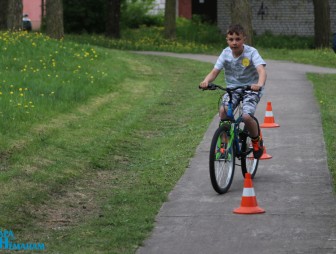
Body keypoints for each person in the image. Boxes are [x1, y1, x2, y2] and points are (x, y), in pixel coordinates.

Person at [199, 24, 267, 159]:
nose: (234, 42)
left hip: (250, 89)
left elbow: (261, 70)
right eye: (231, 39)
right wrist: (206, 81)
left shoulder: (251, 52)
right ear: (227, 40)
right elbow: (214, 72)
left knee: (247, 116)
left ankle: (256, 141)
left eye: (238, 39)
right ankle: (224, 145)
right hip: (233, 89)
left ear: (244, 39)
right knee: (223, 111)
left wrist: (259, 84)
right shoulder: (225, 53)